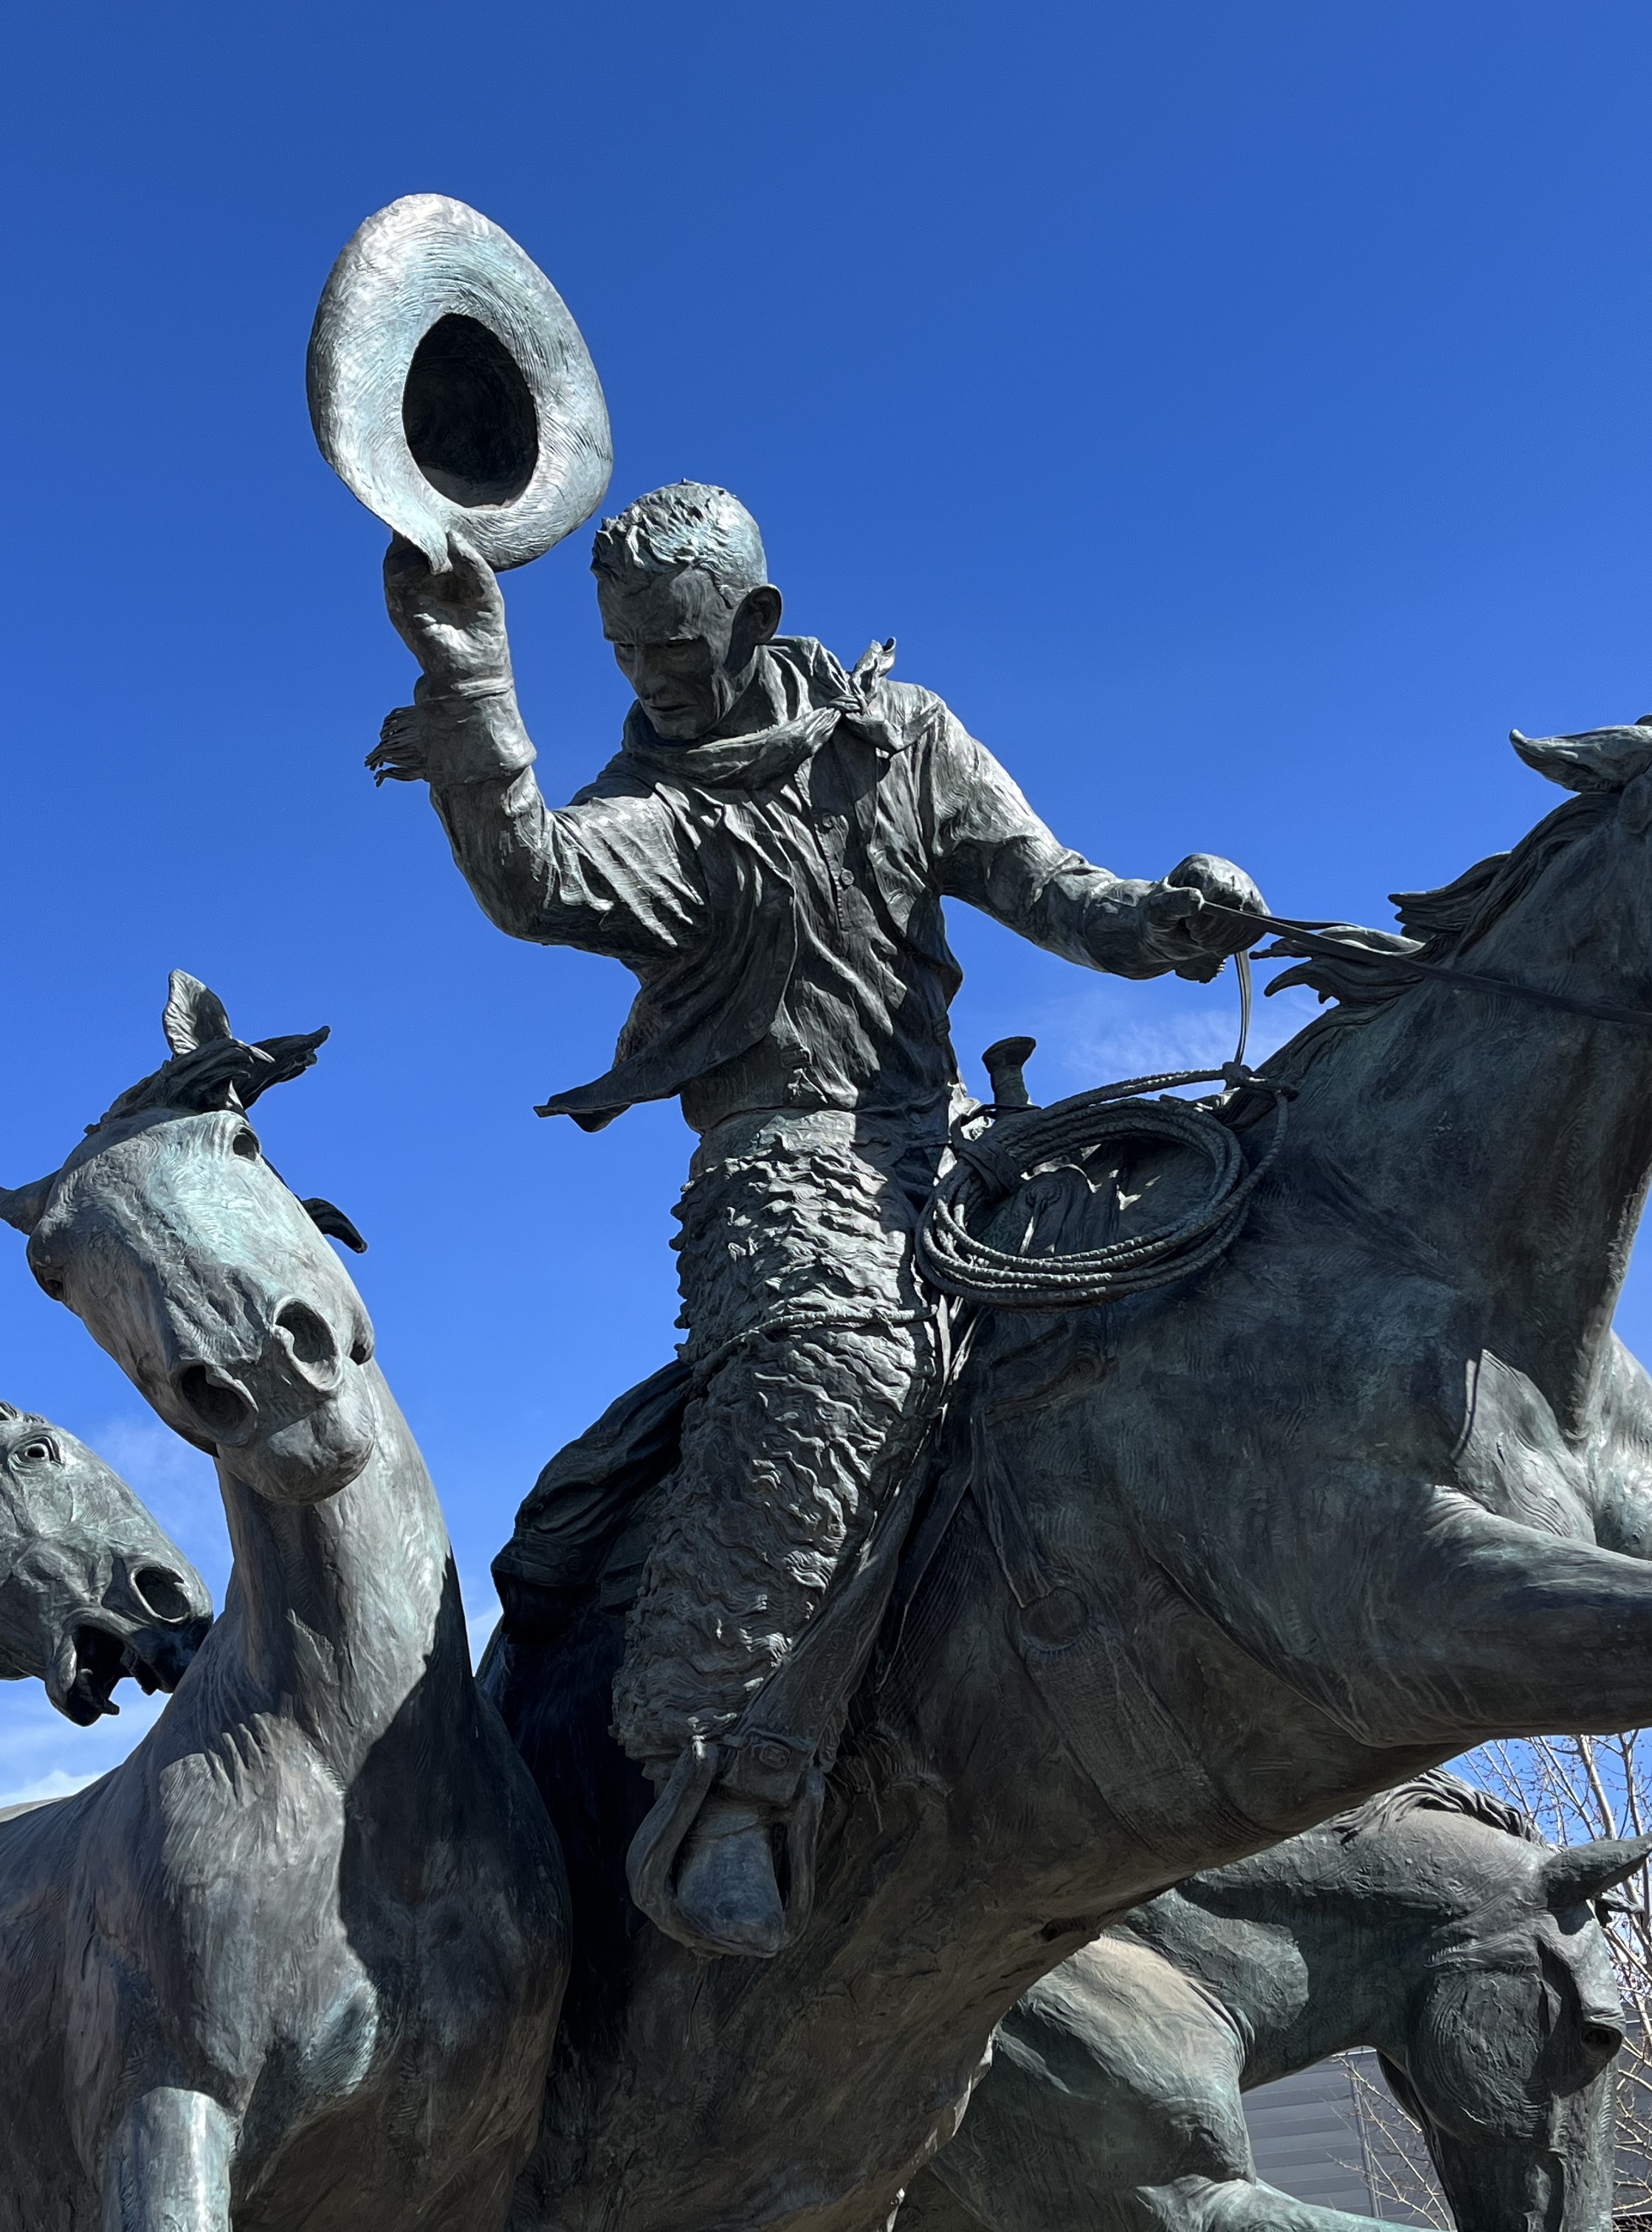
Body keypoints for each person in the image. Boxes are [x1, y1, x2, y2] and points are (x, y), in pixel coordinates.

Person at [371, 481, 1265, 1955]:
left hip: (956, 1151)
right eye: (621, 649)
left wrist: (1161, 925)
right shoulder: (659, 816)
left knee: (1192, 1248)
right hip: (782, 1177)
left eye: (668, 643)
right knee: (830, 1364)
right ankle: (730, 1774)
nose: (643, 674)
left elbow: (1047, 885)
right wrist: (472, 678)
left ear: (756, 621)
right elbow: (530, 878)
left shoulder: (902, 740)